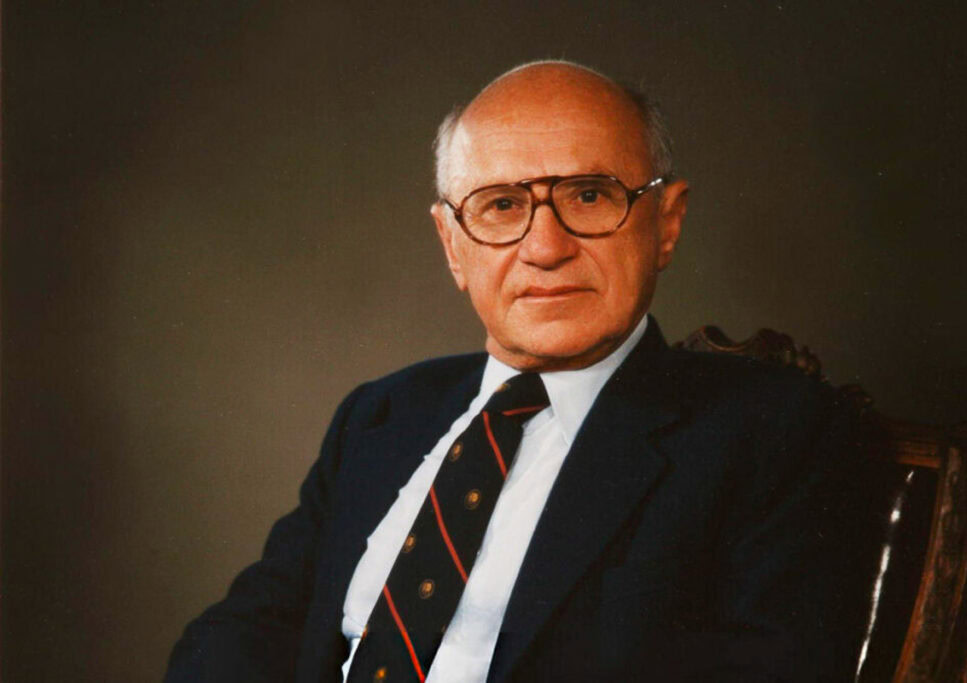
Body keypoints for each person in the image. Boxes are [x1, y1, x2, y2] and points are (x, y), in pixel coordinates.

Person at [167, 61, 877, 682]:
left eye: (590, 196)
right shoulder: (382, 414)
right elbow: (243, 635)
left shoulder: (772, 433)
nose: (544, 246)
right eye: (502, 205)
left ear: (666, 221)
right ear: (452, 244)